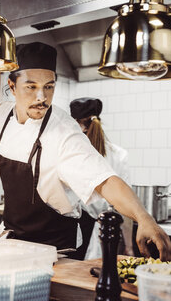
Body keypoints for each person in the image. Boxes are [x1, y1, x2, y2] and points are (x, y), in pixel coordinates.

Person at [0, 42, 171, 260]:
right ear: (12, 85)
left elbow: (105, 180)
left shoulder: (64, 131)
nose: (42, 96)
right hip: (11, 239)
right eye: (31, 86)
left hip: (55, 250)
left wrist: (144, 217)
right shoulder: (1, 116)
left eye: (49, 87)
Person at [69, 97, 134, 259]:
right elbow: (124, 206)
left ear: (75, 123)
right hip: (107, 234)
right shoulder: (118, 155)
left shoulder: (71, 153)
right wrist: (129, 246)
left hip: (73, 236)